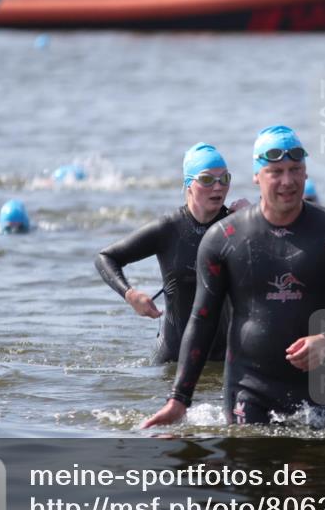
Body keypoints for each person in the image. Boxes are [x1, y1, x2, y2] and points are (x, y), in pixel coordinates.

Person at [142, 125, 325, 428]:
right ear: (256, 175)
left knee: (316, 474)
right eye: (275, 171)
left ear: (306, 173)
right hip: (247, 393)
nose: (287, 181)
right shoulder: (224, 237)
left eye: (296, 169)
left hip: (318, 396)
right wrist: (179, 400)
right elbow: (202, 320)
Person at [95, 143, 247, 364]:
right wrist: (130, 295)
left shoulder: (237, 225)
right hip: (173, 360)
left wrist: (254, 218)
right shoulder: (169, 228)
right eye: (207, 179)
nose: (218, 187)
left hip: (222, 361)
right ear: (189, 185)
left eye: (224, 179)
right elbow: (105, 257)